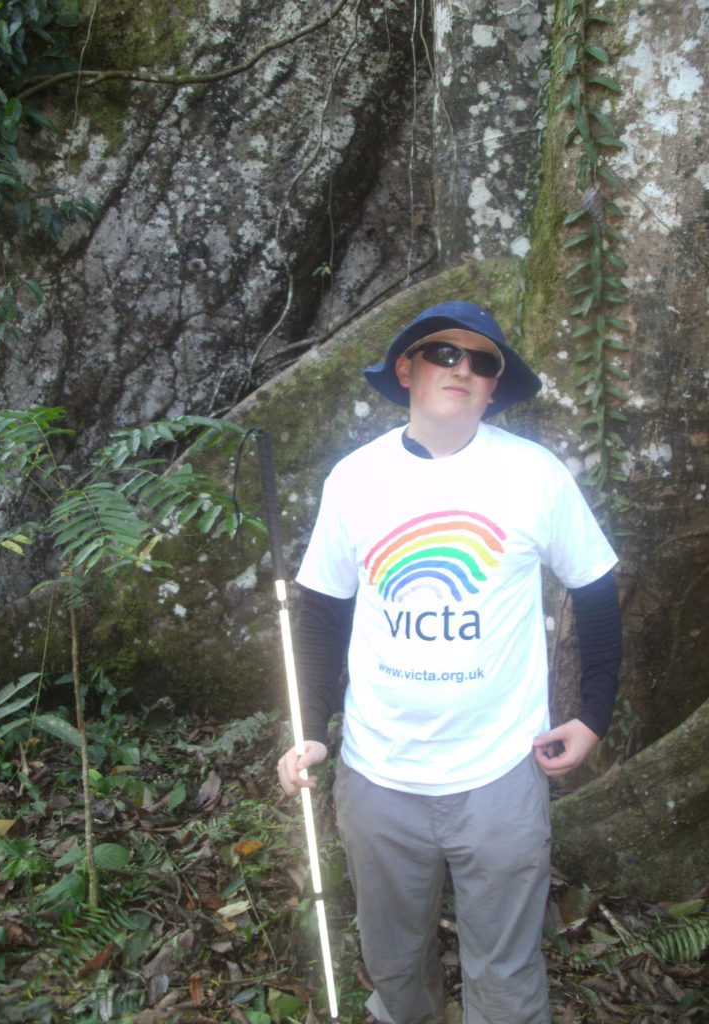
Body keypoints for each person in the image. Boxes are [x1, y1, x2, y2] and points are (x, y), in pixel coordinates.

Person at [277, 300, 622, 1024]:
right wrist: (311, 726)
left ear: (495, 387)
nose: (461, 369)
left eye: (482, 360)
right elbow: (321, 614)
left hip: (499, 773)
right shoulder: (354, 480)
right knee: (395, 963)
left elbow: (594, 589)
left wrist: (592, 714)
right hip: (378, 774)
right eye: (443, 353)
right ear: (406, 369)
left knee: (506, 967)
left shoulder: (534, 475)